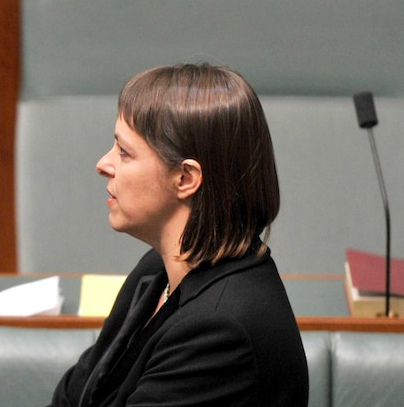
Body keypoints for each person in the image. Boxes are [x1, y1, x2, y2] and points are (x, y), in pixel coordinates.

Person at [49, 63, 308, 406]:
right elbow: (75, 394)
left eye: (124, 153)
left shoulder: (218, 332)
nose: (103, 164)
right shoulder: (156, 271)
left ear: (185, 178)